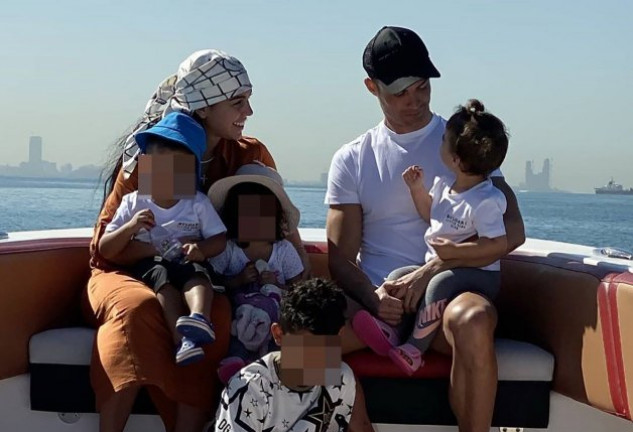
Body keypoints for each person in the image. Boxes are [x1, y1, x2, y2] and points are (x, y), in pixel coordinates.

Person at [84, 49, 308, 432]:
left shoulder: (249, 155)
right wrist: (156, 252)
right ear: (204, 108)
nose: (249, 112)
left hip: (197, 267)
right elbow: (104, 249)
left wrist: (303, 293)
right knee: (136, 308)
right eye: (238, 102)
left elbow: (281, 226)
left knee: (215, 315)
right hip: (126, 268)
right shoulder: (147, 157)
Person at [325, 26, 525, 432]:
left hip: (449, 297)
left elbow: (512, 233)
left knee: (475, 319)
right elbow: (340, 260)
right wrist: (375, 296)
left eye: (422, 87)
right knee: (304, 340)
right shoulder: (352, 159)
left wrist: (430, 273)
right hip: (378, 304)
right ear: (371, 87)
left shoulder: (465, 142)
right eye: (400, 92)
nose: (414, 101)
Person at [352, 99, 509, 376]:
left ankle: (414, 350)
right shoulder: (445, 186)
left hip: (478, 274)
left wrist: (454, 251)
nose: (440, 145)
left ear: (456, 159)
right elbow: (431, 215)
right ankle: (392, 329)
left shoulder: (487, 200)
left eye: (444, 141)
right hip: (442, 264)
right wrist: (416, 189)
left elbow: (497, 244)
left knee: (438, 284)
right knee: (398, 275)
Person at [99, 112, 227, 366]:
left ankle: (199, 318)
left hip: (186, 257)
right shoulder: (134, 202)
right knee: (163, 283)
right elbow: (106, 248)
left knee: (198, 274)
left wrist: (200, 249)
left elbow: (219, 238)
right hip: (153, 261)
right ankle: (182, 341)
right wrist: (132, 227)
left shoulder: (197, 203)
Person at [215, 278, 374, 432]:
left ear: (339, 336)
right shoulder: (248, 389)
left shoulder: (343, 378)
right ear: (278, 334)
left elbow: (362, 426)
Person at [207, 164, 304, 383]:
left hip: (275, 321)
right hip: (239, 318)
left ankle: (274, 367)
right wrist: (239, 280)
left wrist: (277, 286)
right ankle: (236, 364)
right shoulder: (229, 249)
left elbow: (298, 289)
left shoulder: (283, 250)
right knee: (236, 329)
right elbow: (215, 282)